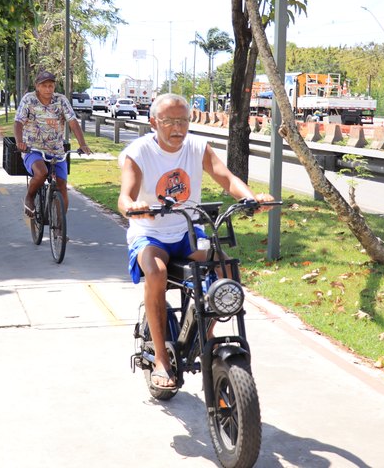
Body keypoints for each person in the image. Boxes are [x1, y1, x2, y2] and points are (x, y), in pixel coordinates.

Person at [118, 93, 275, 390]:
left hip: (187, 233)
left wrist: (251, 198)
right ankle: (162, 359)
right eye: (168, 121)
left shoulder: (196, 147)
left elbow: (226, 177)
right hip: (150, 234)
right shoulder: (138, 152)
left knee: (226, 269)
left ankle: (205, 336)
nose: (177, 128)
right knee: (157, 273)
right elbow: (126, 194)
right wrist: (131, 205)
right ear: (154, 122)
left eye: (183, 120)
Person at [14, 70, 92, 217]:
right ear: (37, 86)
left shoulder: (61, 100)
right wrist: (20, 142)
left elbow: (73, 123)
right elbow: (18, 122)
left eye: (51, 86)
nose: (48, 89)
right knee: (42, 172)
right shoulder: (28, 100)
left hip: (56, 151)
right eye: (44, 86)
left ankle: (60, 227)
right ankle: (29, 197)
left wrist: (83, 144)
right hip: (33, 149)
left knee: (62, 185)